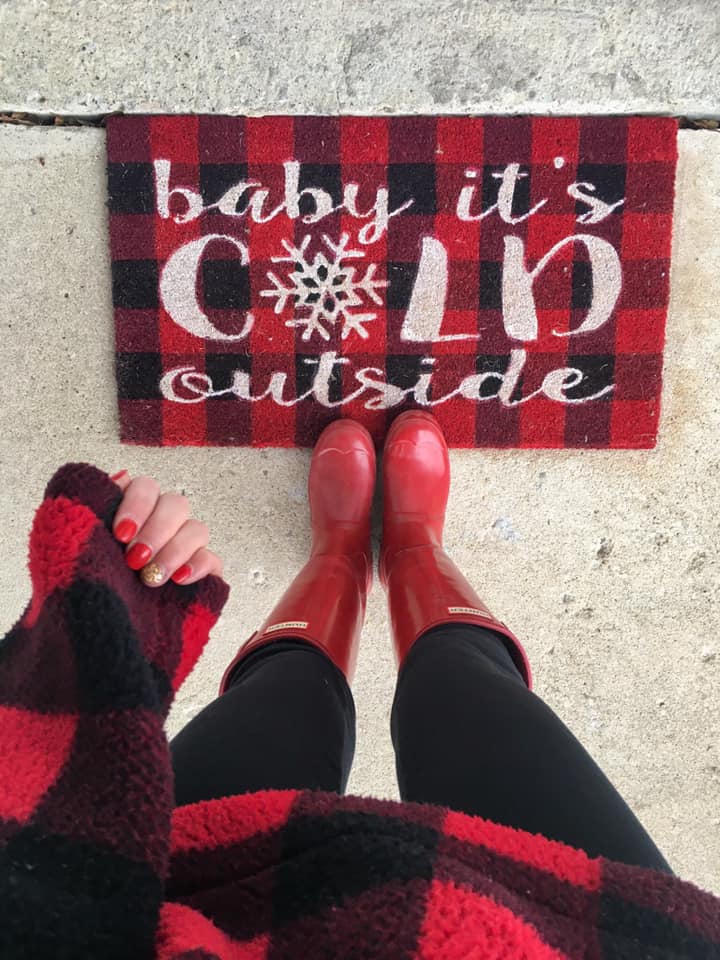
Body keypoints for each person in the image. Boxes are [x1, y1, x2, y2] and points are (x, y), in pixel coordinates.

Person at [1, 411, 719, 959]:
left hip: (170, 912)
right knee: (465, 688)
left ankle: (343, 556)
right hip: (580, 936)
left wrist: (89, 638)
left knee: (284, 696)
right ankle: (410, 550)